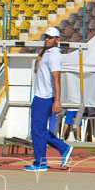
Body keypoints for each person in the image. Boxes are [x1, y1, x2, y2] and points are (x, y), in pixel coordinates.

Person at [25, 27, 72, 172]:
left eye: (50, 37)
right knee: (38, 130)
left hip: (45, 97)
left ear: (57, 40)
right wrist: (41, 53)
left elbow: (56, 78)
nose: (47, 39)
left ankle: (41, 162)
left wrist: (57, 100)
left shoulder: (54, 55)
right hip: (40, 95)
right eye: (46, 37)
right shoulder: (47, 52)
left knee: (37, 131)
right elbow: (37, 68)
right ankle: (63, 149)